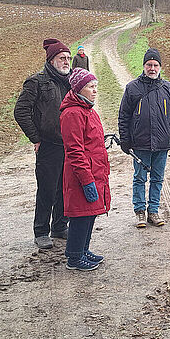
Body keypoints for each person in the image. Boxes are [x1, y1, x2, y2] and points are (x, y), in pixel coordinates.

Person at [14, 38, 71, 249]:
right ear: (51, 60)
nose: (66, 62)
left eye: (68, 58)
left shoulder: (71, 80)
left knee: (65, 187)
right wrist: (35, 138)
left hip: (70, 144)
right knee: (47, 189)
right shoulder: (37, 82)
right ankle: (41, 231)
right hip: (49, 144)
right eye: (61, 58)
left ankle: (59, 226)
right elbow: (20, 111)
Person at [118, 48, 170, 228]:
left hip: (162, 144)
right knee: (140, 178)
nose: (152, 68)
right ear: (144, 66)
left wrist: (169, 131)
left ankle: (153, 211)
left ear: (160, 67)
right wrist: (125, 139)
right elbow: (124, 115)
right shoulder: (132, 88)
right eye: (149, 65)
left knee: (157, 178)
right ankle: (140, 211)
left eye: (155, 65)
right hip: (140, 143)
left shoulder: (168, 88)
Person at [60, 68, 110, 271]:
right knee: (81, 215)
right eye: (91, 87)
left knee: (90, 213)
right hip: (82, 175)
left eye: (96, 86)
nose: (95, 91)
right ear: (79, 89)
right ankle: (74, 257)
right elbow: (74, 151)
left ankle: (83, 250)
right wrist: (86, 180)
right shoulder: (72, 114)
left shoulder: (89, 110)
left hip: (95, 171)